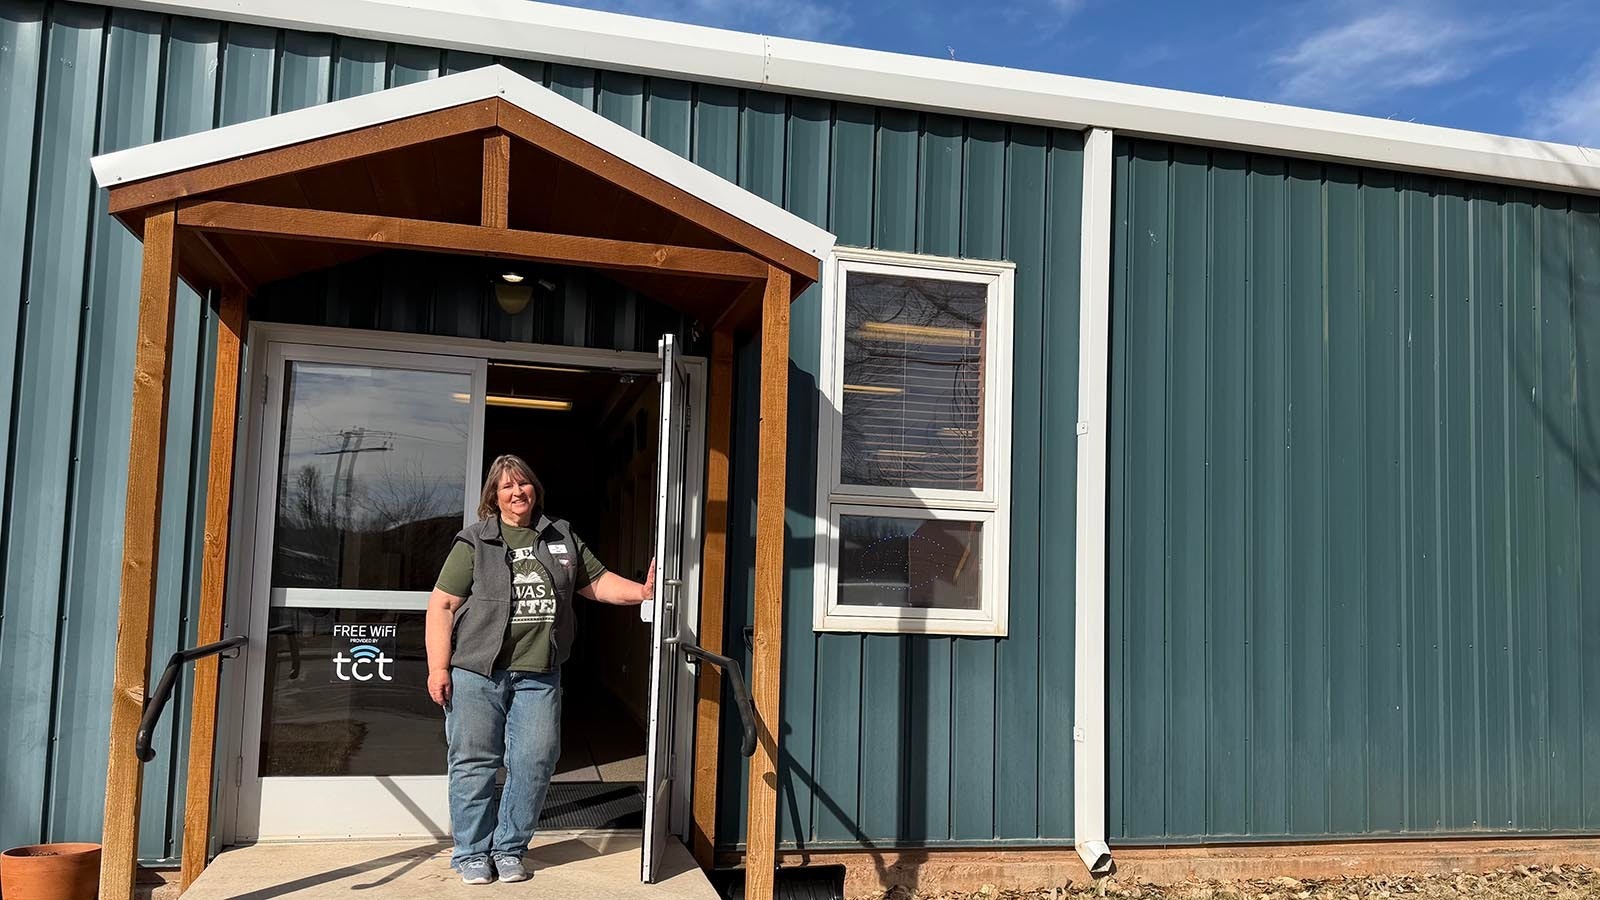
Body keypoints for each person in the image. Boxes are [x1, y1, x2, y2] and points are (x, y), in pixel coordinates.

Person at [425, 453, 654, 885]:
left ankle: (510, 847)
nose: (517, 492)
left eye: (524, 484)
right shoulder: (475, 541)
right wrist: (439, 668)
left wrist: (642, 592)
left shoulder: (560, 536)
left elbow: (597, 583)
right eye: (507, 486)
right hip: (476, 672)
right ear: (494, 495)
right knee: (474, 762)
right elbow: (442, 604)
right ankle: (472, 852)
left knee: (535, 759)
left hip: (539, 673)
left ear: (535, 490)